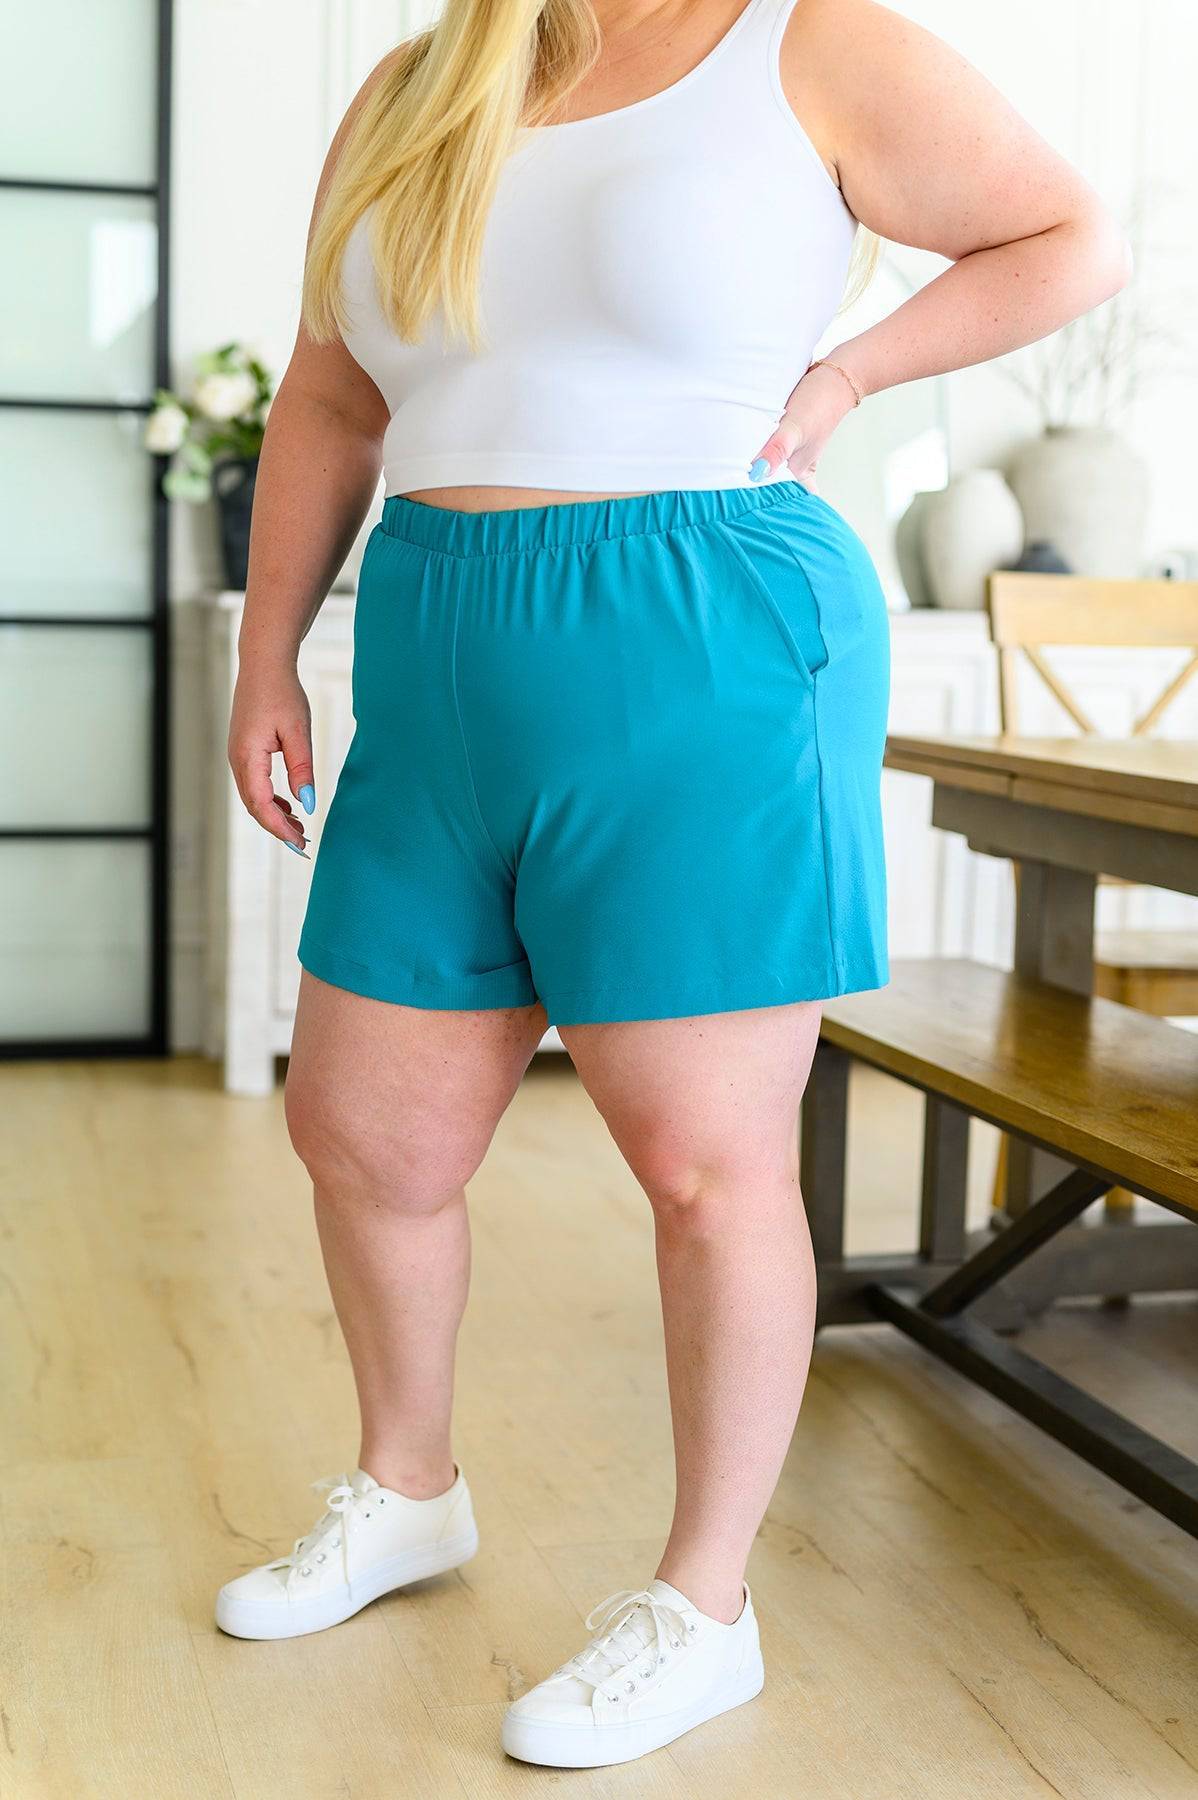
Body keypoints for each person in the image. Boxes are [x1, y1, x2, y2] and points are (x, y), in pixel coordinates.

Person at [216, 0, 1130, 1769]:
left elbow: (1064, 234)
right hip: (436, 639)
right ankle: (407, 1487)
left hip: (699, 625)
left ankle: (704, 1606)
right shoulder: (412, 86)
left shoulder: (802, 41)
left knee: (704, 1163)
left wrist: (849, 373)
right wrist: (270, 655)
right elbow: (332, 388)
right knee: (365, 1133)